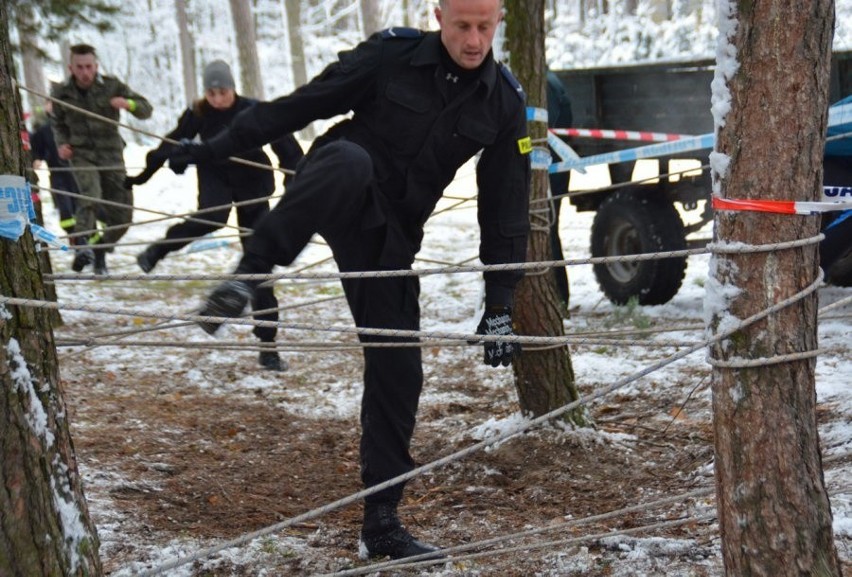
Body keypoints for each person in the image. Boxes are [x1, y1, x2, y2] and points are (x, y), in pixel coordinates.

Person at [166, 0, 530, 560]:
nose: (474, 40)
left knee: (399, 367)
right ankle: (248, 276)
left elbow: (505, 204)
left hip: (389, 237)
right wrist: (212, 149)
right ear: (439, 16)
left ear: (499, 20)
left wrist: (500, 299)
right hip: (335, 184)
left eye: (485, 26)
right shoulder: (390, 55)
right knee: (350, 161)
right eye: (462, 25)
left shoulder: (504, 102)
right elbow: (300, 106)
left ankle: (381, 522)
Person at [126, 60, 304, 372]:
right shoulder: (198, 114)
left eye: (222, 91)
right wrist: (143, 176)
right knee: (212, 217)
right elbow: (169, 143)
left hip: (253, 181)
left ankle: (268, 345)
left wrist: (296, 180)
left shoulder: (252, 110)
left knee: (258, 262)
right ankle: (158, 250)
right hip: (215, 175)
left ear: (233, 88)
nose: (217, 98)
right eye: (211, 92)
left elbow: (287, 147)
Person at [51, 43, 153, 275]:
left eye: (89, 67)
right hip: (82, 154)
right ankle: (82, 246)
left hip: (112, 156)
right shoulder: (61, 92)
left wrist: (129, 104)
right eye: (80, 67)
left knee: (123, 216)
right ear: (71, 67)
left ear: (96, 66)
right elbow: (57, 122)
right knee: (91, 196)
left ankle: (99, 250)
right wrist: (62, 144)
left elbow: (146, 109)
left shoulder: (112, 85)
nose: (85, 72)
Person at [29, 99, 80, 243]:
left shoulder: (74, 127)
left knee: (82, 209)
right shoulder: (44, 130)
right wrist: (37, 159)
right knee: (65, 210)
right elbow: (37, 149)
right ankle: (73, 235)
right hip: (58, 176)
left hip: (79, 174)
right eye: (50, 104)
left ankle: (86, 242)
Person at [546, 69, 573, 306]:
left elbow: (544, 128)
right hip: (553, 167)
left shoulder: (544, 84)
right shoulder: (548, 79)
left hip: (549, 170)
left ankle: (558, 297)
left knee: (546, 230)